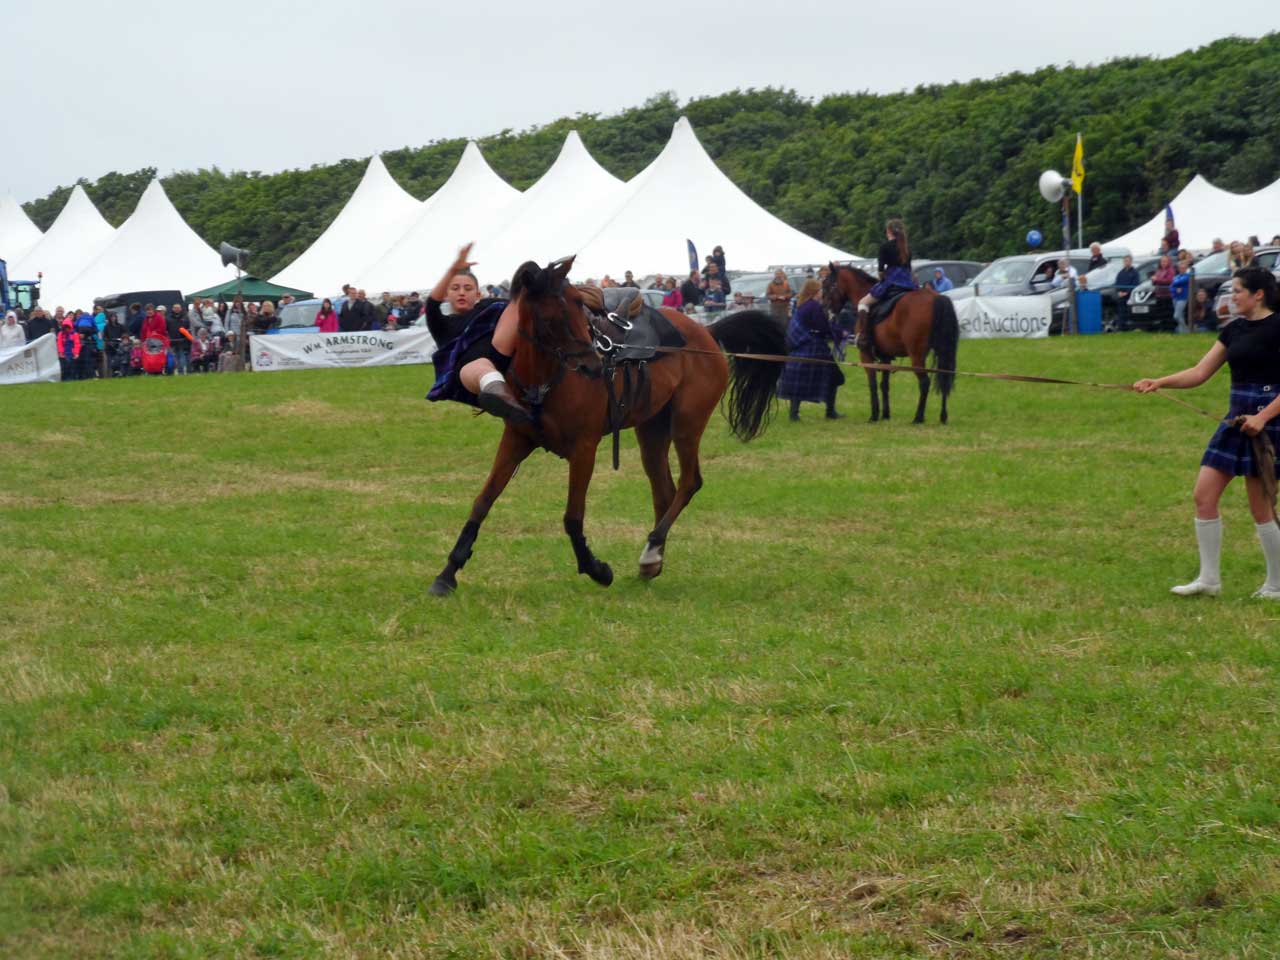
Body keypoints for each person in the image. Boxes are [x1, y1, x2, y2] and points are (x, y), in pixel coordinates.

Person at [1135, 267, 1280, 599]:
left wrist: (1263, 417)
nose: (1232, 297)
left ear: (1258, 294)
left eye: (1238, 290)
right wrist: (1158, 382)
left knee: (1261, 508)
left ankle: (1276, 585)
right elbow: (1199, 372)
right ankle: (1209, 580)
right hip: (1236, 419)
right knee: (1204, 495)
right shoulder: (1233, 330)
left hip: (1268, 421)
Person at [424, 243, 529, 425]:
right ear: (447, 295)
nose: (462, 292)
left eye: (468, 288)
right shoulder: (442, 324)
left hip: (501, 352)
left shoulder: (490, 306)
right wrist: (452, 270)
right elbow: (432, 304)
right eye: (455, 288)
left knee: (525, 280)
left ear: (478, 293)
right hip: (469, 374)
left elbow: (516, 309)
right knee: (480, 365)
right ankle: (502, 398)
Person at [777, 279, 844, 421]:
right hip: (813, 347)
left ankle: (794, 414)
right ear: (815, 292)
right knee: (834, 377)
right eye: (820, 290)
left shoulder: (803, 305)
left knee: (801, 381)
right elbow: (823, 327)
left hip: (803, 347)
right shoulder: (813, 306)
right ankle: (829, 412)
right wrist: (839, 332)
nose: (822, 293)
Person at [857, 218, 918, 348]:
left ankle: (864, 336)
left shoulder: (885, 247)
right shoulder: (907, 248)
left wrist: (882, 278)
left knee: (863, 303)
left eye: (886, 231)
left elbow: (880, 271)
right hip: (907, 283)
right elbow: (909, 269)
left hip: (892, 282)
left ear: (889, 231)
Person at [1114, 255, 1141, 329]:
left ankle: (1131, 327)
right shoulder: (1120, 273)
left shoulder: (1135, 272)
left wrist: (1127, 292)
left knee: (1129, 312)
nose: (1126, 262)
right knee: (1121, 312)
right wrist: (1119, 292)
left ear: (1131, 262)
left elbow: (1135, 284)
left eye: (1128, 261)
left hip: (1130, 296)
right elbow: (1117, 283)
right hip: (1121, 296)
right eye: (1125, 261)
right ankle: (1121, 327)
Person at [1171, 262, 1191, 333]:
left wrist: (1175, 283)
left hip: (1183, 298)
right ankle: (1182, 331)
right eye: (1181, 268)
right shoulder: (1176, 277)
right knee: (1180, 315)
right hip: (1175, 297)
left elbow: (1178, 282)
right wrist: (1176, 289)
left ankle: (1186, 329)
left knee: (1176, 316)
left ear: (1186, 269)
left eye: (1184, 268)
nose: (1182, 269)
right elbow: (1171, 288)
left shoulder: (1188, 276)